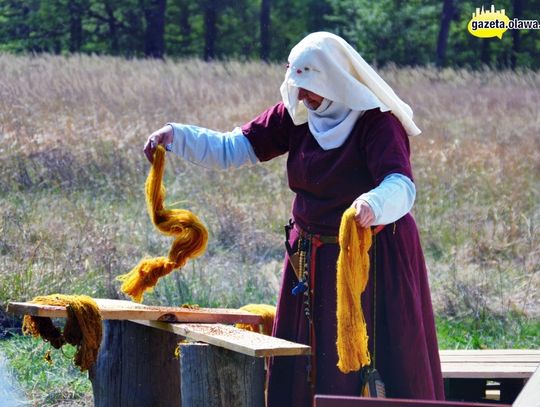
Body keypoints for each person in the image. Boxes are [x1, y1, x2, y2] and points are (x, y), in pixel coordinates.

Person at [144, 32, 445, 405]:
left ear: (333, 79)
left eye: (311, 87)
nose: (303, 96)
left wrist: (373, 204)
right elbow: (233, 147)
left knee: (376, 355)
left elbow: (401, 185)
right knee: (306, 360)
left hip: (372, 258)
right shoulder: (297, 116)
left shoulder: (377, 122)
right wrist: (175, 135)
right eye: (298, 86)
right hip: (310, 259)